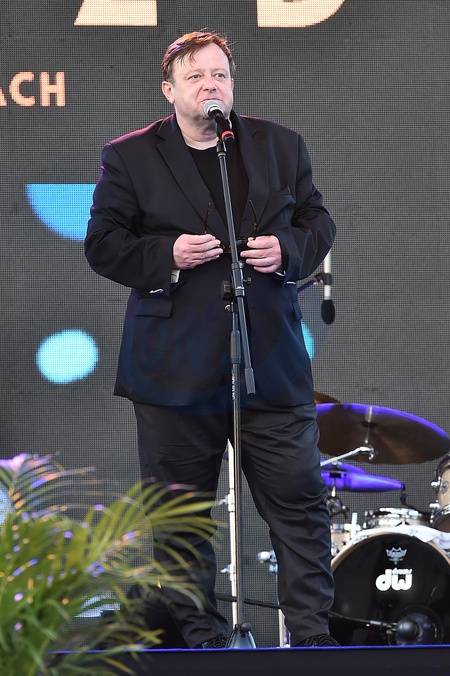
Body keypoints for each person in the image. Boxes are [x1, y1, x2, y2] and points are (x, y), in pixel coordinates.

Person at [85, 30, 338, 649]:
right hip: (173, 366)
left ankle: (311, 638)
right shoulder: (129, 156)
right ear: (168, 90)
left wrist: (288, 250)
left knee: (300, 503)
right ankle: (203, 641)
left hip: (270, 361)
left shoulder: (279, 144)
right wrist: (167, 254)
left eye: (220, 74)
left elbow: (317, 221)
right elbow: (104, 244)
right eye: (195, 76)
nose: (210, 85)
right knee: (180, 518)